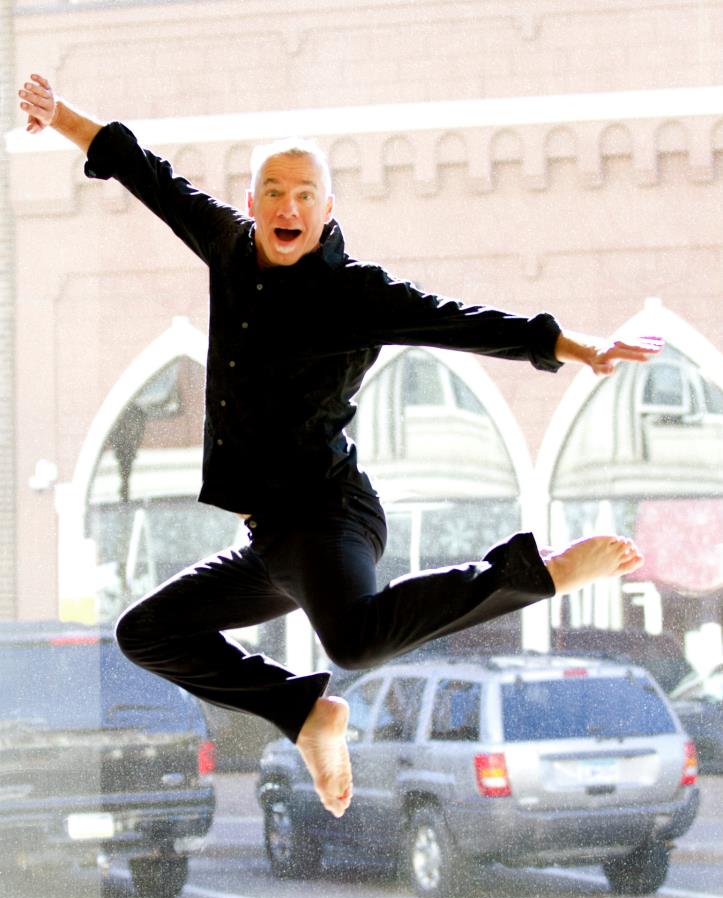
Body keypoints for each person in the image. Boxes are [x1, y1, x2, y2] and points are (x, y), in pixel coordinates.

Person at [19, 74, 660, 819]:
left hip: (330, 514)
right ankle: (304, 713)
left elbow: (458, 319)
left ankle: (535, 575)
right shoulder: (228, 249)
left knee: (353, 643)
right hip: (274, 542)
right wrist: (59, 115)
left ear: (326, 212)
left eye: (303, 195)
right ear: (254, 203)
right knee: (147, 632)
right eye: (272, 191)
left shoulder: (355, 292)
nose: (286, 205)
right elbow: (147, 174)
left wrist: (574, 346)